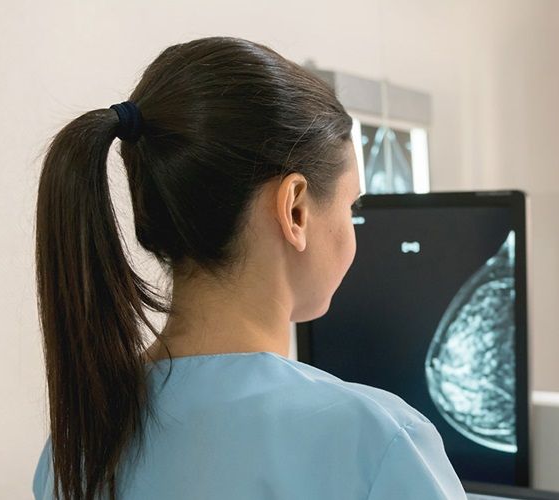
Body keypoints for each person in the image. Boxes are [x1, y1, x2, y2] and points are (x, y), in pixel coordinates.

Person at [32, 37, 464, 500]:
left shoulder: (76, 448)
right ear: (295, 209)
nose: (353, 227)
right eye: (351, 206)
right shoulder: (377, 443)